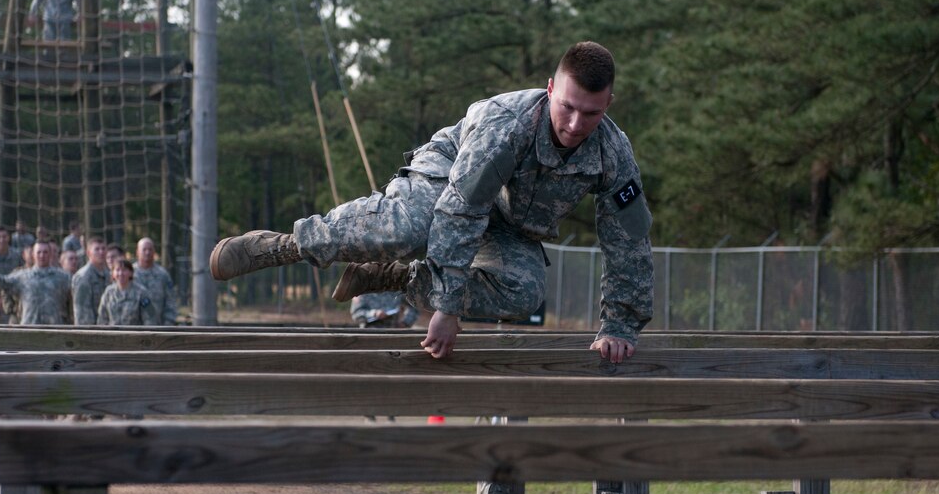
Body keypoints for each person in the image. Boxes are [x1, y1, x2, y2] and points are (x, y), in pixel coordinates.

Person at [211, 41, 654, 363]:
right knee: (409, 229)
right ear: (550, 87)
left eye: (591, 113)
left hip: (510, 221)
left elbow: (629, 242)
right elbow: (461, 210)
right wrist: (447, 310)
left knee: (526, 291)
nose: (576, 124)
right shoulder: (506, 127)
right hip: (449, 178)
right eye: (568, 107)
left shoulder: (613, 154)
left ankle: (395, 278)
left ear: (609, 104)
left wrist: (619, 325)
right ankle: (280, 245)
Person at [0, 240, 73, 325]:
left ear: (50, 254)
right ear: (33, 255)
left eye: (45, 252)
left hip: (56, 328)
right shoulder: (22, 276)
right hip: (30, 328)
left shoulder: (64, 277)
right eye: (39, 252)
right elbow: (3, 284)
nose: (42, 255)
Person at [97, 259, 159, 326]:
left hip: (134, 334)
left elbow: (150, 317)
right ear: (113, 274)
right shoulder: (108, 292)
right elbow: (102, 318)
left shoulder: (141, 292)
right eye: (117, 270)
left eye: (124, 270)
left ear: (131, 273)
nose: (120, 273)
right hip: (113, 334)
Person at [133, 237, 178, 325]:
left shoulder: (163, 275)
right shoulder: (129, 274)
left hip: (157, 326)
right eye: (144, 249)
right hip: (133, 328)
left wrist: (168, 323)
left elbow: (171, 300)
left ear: (154, 252)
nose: (147, 252)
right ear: (137, 252)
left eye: (150, 249)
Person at [72, 236, 111, 325]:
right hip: (91, 331)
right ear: (89, 253)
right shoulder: (84, 277)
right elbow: (82, 313)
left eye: (103, 249)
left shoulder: (108, 273)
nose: (101, 252)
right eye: (97, 249)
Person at [351, 291, 418, 328]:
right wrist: (373, 313)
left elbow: (414, 306)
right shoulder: (363, 292)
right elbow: (356, 313)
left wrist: (405, 323)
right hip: (368, 335)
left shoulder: (395, 290)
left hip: (393, 335)